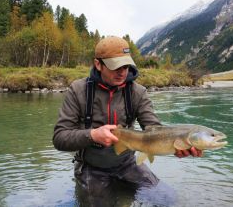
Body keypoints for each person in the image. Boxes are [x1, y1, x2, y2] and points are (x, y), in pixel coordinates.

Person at [53, 36, 203, 206]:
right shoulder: (78, 90)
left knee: (168, 199)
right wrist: (93, 135)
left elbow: (154, 129)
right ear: (98, 64)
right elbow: (60, 138)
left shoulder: (137, 92)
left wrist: (176, 145)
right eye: (115, 66)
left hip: (127, 165)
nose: (122, 72)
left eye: (126, 65)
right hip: (91, 167)